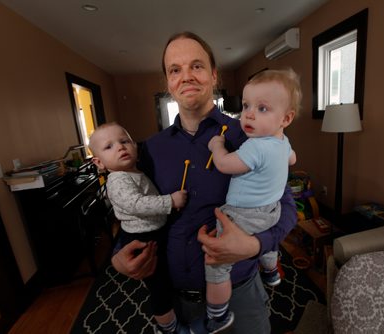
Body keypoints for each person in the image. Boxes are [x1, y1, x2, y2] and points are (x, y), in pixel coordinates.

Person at [110, 31, 297, 334]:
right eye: (175, 70)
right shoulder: (150, 149)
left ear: (213, 75)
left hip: (239, 294)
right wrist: (119, 253)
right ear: (168, 82)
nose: (186, 77)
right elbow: (131, 205)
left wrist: (254, 244)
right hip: (175, 299)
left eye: (196, 66)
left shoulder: (249, 133)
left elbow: (286, 204)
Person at [205, 68, 300, 331]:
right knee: (267, 240)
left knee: (216, 265)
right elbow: (293, 159)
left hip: (242, 214)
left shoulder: (255, 145)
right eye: (246, 105)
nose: (248, 114)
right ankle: (270, 271)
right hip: (272, 210)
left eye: (262, 108)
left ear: (286, 118)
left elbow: (224, 165)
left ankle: (218, 314)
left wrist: (217, 147)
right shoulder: (283, 142)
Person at [88, 122, 188, 334]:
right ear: (99, 162)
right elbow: (136, 204)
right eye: (109, 147)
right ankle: (169, 328)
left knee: (165, 278)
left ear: (135, 146)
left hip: (154, 229)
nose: (120, 147)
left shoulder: (134, 172)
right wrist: (170, 201)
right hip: (143, 237)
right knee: (158, 286)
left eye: (124, 141)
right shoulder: (117, 180)